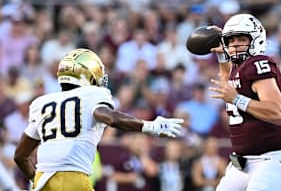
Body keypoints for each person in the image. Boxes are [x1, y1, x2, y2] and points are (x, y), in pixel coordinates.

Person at [13, 48, 183, 191]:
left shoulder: (41, 103)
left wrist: (34, 179)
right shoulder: (92, 95)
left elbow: (20, 156)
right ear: (86, 74)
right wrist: (150, 126)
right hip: (74, 179)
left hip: (43, 180)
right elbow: (111, 118)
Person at [208, 13, 281, 191]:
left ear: (256, 39)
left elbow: (278, 113)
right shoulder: (239, 68)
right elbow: (230, 82)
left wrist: (237, 99)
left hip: (271, 160)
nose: (235, 45)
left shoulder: (258, 64)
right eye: (231, 41)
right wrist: (222, 57)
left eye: (241, 39)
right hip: (241, 163)